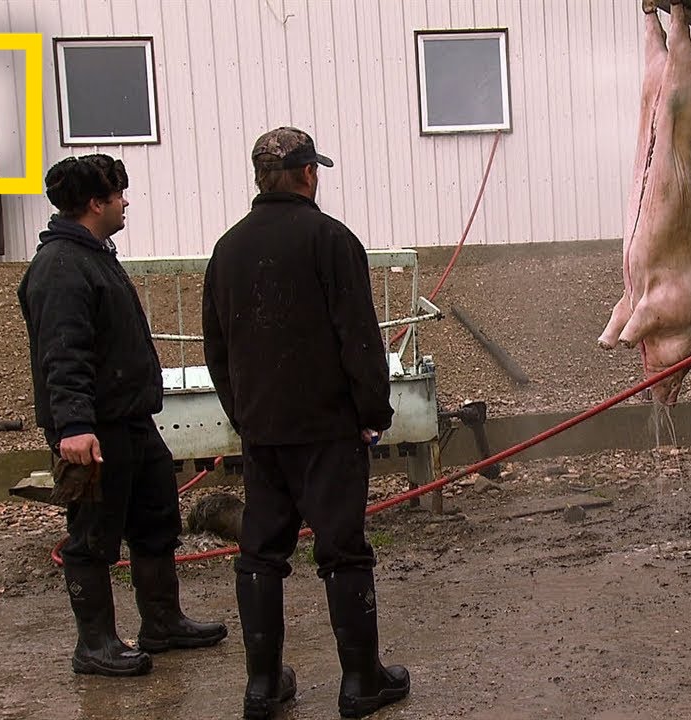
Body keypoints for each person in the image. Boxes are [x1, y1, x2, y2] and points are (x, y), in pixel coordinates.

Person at [202, 127, 409, 720]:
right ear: (307, 174)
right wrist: (372, 413)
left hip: (262, 430)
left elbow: (217, 346)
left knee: (261, 554)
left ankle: (262, 687)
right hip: (327, 430)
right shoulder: (330, 239)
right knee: (343, 552)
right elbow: (358, 337)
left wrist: (243, 414)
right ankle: (360, 683)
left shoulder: (228, 248)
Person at [18, 154, 228, 677]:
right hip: (96, 429)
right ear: (96, 203)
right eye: (119, 195)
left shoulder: (93, 255)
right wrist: (73, 426)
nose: (126, 202)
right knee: (91, 537)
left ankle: (162, 623)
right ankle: (95, 644)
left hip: (132, 421)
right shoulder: (62, 266)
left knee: (156, 522)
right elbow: (62, 352)